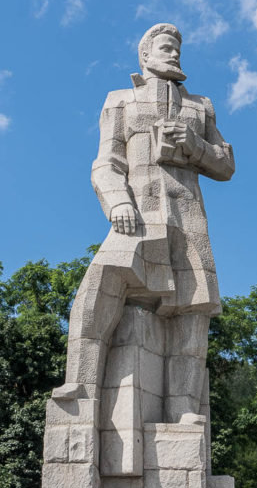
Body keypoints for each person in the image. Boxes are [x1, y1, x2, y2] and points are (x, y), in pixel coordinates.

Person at [53, 23, 235, 425]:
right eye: (167, 48)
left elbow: (225, 165)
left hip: (189, 222)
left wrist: (195, 146)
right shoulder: (121, 101)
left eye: (178, 50)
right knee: (97, 287)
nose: (175, 55)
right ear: (145, 56)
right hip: (137, 217)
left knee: (192, 311)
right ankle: (79, 383)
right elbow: (105, 163)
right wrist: (118, 201)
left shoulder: (200, 106)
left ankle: (184, 409)